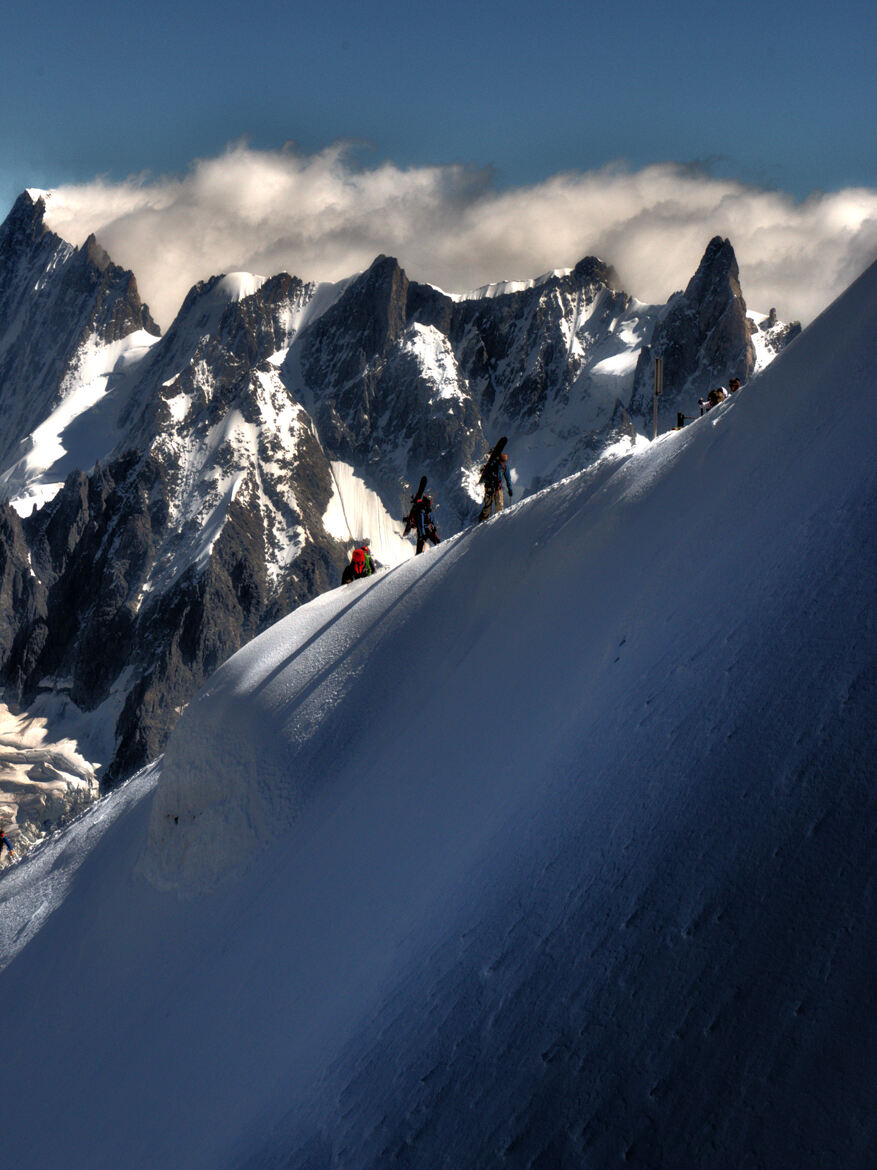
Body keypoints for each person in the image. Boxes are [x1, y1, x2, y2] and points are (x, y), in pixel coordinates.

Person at [478, 450, 513, 522]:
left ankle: (497, 522)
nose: (503, 462)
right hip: (490, 488)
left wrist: (510, 489)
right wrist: (509, 489)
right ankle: (483, 520)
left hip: (496, 488)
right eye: (502, 461)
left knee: (498, 506)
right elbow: (508, 479)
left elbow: (508, 478)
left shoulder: (504, 467)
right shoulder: (493, 465)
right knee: (489, 507)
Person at [403, 490, 440, 554]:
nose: (431, 503)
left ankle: (418, 556)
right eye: (430, 502)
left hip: (425, 530)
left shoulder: (425, 509)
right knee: (437, 543)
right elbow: (422, 522)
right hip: (425, 530)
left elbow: (429, 519)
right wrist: (422, 534)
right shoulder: (422, 510)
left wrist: (433, 528)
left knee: (420, 548)